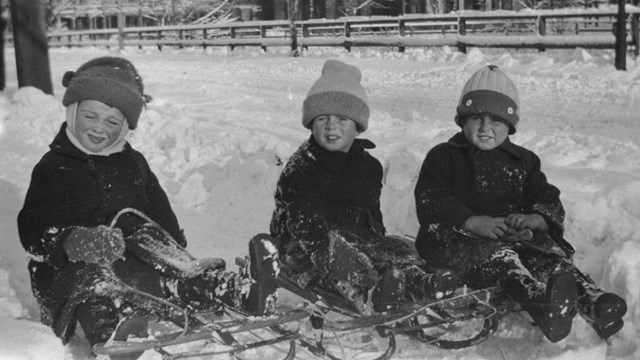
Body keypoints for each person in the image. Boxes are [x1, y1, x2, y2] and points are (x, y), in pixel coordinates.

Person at [17, 56, 276, 352]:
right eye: (90, 116)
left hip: (131, 264)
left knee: (167, 268)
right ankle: (115, 330)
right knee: (95, 286)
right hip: (70, 273)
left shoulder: (133, 163)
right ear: (73, 112)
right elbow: (32, 230)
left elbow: (158, 212)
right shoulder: (53, 168)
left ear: (126, 126)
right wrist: (73, 241)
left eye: (112, 121)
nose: (99, 128)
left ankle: (233, 291)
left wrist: (173, 254)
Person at [413, 65, 627, 342]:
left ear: (510, 125)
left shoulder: (523, 161)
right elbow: (431, 197)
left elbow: (545, 196)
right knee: (504, 261)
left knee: (549, 260)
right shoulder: (444, 156)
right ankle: (540, 303)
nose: (486, 127)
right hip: (461, 239)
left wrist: (537, 218)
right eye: (477, 117)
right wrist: (470, 220)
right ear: (462, 120)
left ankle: (592, 301)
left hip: (514, 237)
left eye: (496, 120)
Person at [269, 59, 456, 315]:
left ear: (357, 125)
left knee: (397, 246)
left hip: (355, 243)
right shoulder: (302, 168)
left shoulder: (368, 167)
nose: (331, 126)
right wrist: (353, 259)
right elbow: (307, 225)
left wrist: (379, 250)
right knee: (338, 251)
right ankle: (370, 292)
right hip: (303, 251)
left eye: (342, 119)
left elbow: (370, 215)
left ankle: (420, 281)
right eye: (322, 118)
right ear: (311, 123)